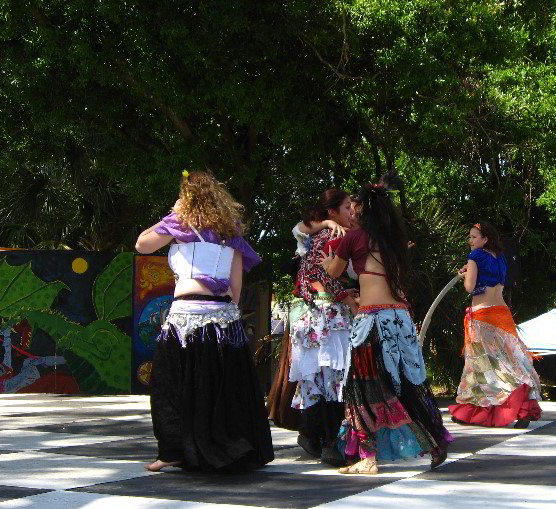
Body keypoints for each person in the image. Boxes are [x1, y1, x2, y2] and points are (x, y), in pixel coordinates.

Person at [135, 170, 273, 472]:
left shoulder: (179, 224)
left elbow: (142, 244)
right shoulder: (231, 233)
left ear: (187, 197)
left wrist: (172, 214)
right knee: (221, 386)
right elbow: (236, 285)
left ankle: (172, 451)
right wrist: (229, 316)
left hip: (186, 315)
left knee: (171, 384)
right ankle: (232, 447)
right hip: (223, 318)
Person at [321, 173, 452, 474]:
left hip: (372, 322)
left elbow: (334, 271)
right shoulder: (394, 241)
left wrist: (328, 263)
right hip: (400, 319)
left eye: (355, 206)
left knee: (362, 387)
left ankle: (367, 455)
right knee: (406, 384)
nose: (351, 211)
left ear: (364, 209)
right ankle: (434, 442)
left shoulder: (353, 238)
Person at [448, 221, 542, 428]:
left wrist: (464, 275)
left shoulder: (475, 257)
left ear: (485, 239)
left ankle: (496, 407)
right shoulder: (501, 258)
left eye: (473, 237)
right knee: (508, 361)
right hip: (502, 314)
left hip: (483, 316)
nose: (470, 241)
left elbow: (469, 287)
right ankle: (514, 406)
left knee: (483, 365)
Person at [288, 189, 357, 466]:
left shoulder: (321, 236)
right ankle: (329, 441)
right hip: (327, 315)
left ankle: (312, 433)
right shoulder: (332, 236)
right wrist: (344, 297)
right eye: (347, 208)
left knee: (317, 378)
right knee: (334, 377)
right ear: (333, 212)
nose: (352, 213)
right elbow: (317, 274)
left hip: (314, 316)